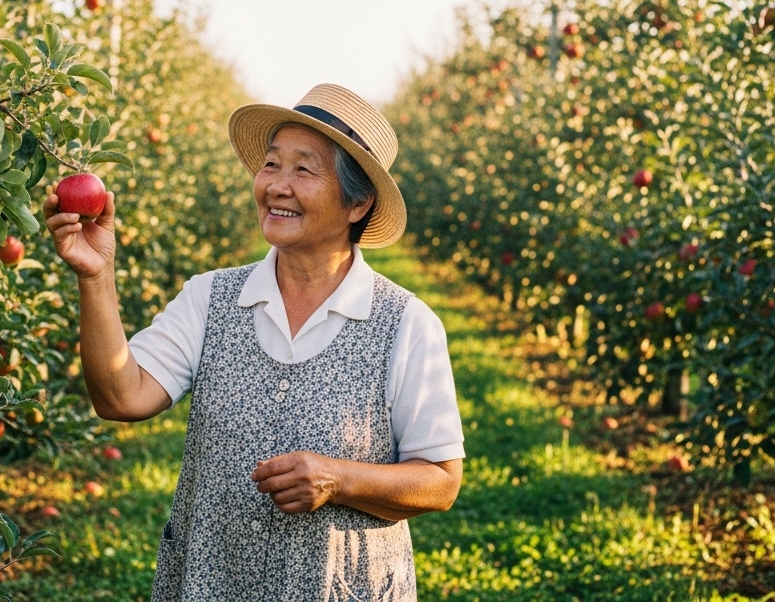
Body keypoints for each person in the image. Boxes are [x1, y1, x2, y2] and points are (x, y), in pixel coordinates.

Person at [43, 83, 464, 601]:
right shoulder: (213, 297)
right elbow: (120, 397)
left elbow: (441, 481)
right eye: (270, 165)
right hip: (213, 583)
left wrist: (339, 478)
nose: (277, 186)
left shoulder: (405, 324)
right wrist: (96, 275)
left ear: (358, 205)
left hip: (341, 588)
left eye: (303, 170)